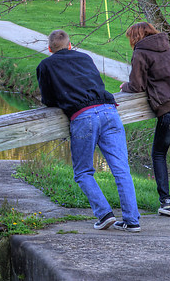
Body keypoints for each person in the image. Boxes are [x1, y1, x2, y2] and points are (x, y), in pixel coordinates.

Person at [37, 29, 141, 232]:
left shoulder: (45, 66)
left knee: (83, 171)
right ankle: (132, 220)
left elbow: (48, 99)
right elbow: (97, 83)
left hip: (83, 116)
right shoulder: (85, 57)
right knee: (121, 169)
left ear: (50, 49)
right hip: (110, 110)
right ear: (70, 45)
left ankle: (104, 214)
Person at [120, 22, 170, 218]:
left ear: (135, 37)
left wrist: (125, 87)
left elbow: (137, 85)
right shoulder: (166, 46)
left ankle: (165, 202)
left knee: (158, 153)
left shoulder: (141, 52)